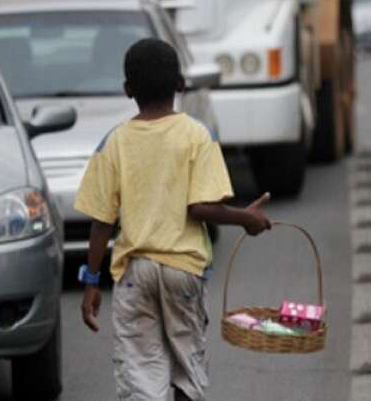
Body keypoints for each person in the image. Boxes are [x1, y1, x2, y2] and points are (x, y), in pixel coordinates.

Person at [75, 38, 272, 401]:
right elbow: (201, 209)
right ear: (181, 85)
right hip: (183, 271)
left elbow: (101, 221)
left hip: (134, 273)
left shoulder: (113, 142)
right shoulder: (197, 136)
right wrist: (246, 218)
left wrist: (90, 282)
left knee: (140, 371)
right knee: (186, 368)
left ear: (127, 89)